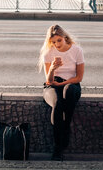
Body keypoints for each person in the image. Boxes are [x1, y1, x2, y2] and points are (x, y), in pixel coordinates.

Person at [38, 24, 84, 161]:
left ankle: (66, 125)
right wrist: (52, 69)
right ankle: (58, 147)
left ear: (65, 37)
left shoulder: (77, 50)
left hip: (72, 83)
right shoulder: (49, 53)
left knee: (68, 91)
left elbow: (79, 77)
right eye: (53, 42)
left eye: (59, 40)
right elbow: (49, 81)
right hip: (52, 85)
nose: (56, 44)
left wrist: (63, 83)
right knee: (57, 103)